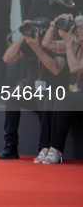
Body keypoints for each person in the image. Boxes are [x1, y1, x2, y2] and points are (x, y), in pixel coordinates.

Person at [0, 19, 69, 160]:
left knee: (46, 96)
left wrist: (37, 47)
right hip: (31, 92)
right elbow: (7, 58)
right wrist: (23, 38)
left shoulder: (58, 46)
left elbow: (55, 69)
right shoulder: (28, 44)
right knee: (12, 95)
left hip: (51, 93)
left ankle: (45, 147)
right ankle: (11, 145)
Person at [40, 14, 83, 164]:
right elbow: (46, 43)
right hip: (77, 95)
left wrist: (68, 43)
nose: (77, 30)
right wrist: (54, 24)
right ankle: (45, 147)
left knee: (62, 95)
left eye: (81, 27)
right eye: (75, 27)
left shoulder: (73, 45)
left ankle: (57, 149)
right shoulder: (75, 44)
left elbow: (75, 67)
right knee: (51, 95)